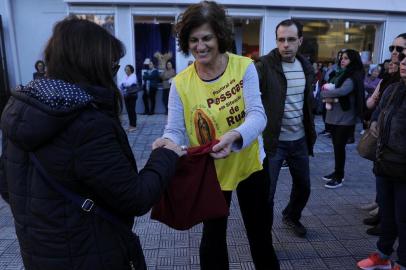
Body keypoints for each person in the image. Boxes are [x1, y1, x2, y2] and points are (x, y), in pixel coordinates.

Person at [0, 16, 184, 270]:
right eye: (113, 67)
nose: (114, 74)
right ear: (92, 66)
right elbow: (136, 197)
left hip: (38, 253)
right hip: (91, 253)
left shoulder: (19, 109)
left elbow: (8, 187)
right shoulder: (85, 123)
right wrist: (166, 154)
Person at [156, 1, 279, 269]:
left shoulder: (244, 67)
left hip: (250, 165)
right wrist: (168, 143)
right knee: (212, 238)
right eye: (193, 40)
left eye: (207, 38)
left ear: (220, 36)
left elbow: (258, 115)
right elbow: (175, 129)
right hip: (210, 171)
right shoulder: (180, 84)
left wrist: (234, 136)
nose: (200, 46)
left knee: (259, 236)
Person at [255, 19, 316, 237]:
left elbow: (307, 102)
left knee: (304, 186)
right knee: (267, 193)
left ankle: (291, 215)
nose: (286, 45)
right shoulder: (264, 65)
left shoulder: (307, 68)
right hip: (273, 142)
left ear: (300, 40)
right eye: (281, 40)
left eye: (291, 39)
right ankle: (264, 237)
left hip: (299, 140)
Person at [357, 49, 406, 270]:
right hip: (385, 163)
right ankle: (383, 254)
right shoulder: (393, 88)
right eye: (403, 60)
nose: (403, 63)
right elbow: (376, 113)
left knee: (403, 219)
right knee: (386, 215)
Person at [321, 49, 365, 188]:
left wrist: (323, 92)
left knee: (339, 147)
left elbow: (343, 91)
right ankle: (336, 172)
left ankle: (339, 176)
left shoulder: (353, 75)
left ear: (353, 60)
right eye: (341, 58)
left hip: (345, 118)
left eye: (346, 58)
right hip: (337, 116)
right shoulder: (342, 73)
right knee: (336, 146)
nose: (342, 60)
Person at [120, 64, 138, 131]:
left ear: (131, 70)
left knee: (132, 110)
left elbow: (129, 83)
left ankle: (134, 126)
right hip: (126, 95)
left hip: (132, 95)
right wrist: (123, 84)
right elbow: (120, 84)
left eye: (128, 69)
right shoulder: (125, 76)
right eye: (125, 69)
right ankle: (130, 125)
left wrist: (123, 84)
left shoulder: (133, 76)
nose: (126, 70)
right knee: (129, 111)